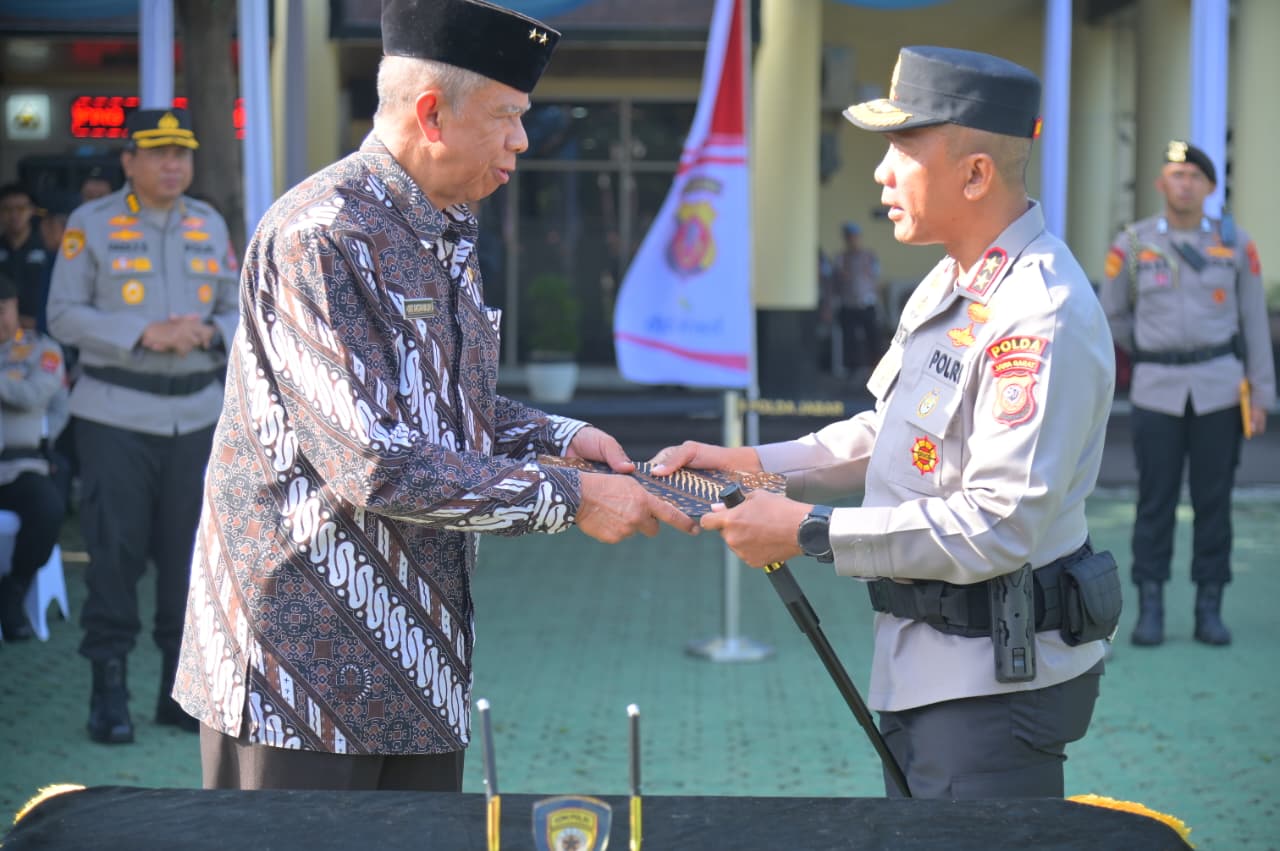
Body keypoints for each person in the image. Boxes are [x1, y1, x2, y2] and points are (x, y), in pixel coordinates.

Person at [172, 0, 696, 793]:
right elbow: (373, 462)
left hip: (422, 660)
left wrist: (556, 435)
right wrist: (571, 497)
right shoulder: (322, 234)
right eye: (509, 117)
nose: (523, 139)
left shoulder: (446, 225)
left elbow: (442, 405)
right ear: (431, 114)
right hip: (302, 668)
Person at [650, 46, 1119, 799]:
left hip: (991, 691)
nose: (880, 171)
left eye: (903, 148)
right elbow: (890, 432)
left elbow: (1000, 524)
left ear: (975, 174)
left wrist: (807, 529)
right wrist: (747, 464)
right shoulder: (951, 278)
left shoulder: (1041, 313)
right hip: (926, 671)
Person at [47, 108, 240, 744]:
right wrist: (143, 332)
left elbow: (240, 311)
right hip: (116, 419)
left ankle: (175, 693)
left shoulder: (207, 223)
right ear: (128, 161)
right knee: (115, 555)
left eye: (181, 153)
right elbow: (63, 316)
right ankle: (109, 693)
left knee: (191, 559)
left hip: (196, 418)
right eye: (157, 153)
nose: (172, 164)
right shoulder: (90, 226)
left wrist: (211, 330)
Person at [1099, 141, 1275, 648]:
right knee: (1153, 501)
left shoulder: (1235, 242)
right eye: (1175, 174)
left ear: (1209, 187)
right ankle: (1150, 606)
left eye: (1194, 175)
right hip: (1158, 391)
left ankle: (1209, 607)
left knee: (1213, 501)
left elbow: (1254, 324)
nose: (1184, 183)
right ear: (1161, 183)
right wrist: (1153, 348)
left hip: (1220, 389)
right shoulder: (1132, 244)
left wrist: (1260, 393)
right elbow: (1111, 314)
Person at [0, 272, 69, 641]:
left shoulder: (41, 349)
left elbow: (36, 396)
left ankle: (14, 590)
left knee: (48, 508)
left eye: (3, 310)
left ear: (15, 309)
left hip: (21, 465)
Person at [835, 221, 884, 375]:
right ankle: (852, 371)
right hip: (848, 305)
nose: (852, 240)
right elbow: (835, 283)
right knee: (849, 339)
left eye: (854, 237)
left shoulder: (869, 256)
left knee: (874, 337)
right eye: (849, 237)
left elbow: (876, 279)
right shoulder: (841, 258)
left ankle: (877, 369)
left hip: (867, 304)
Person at [0, 183, 46, 331]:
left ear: (32, 210)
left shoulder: (46, 247)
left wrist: (40, 322)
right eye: (7, 209)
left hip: (41, 333)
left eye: (20, 208)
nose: (14, 215)